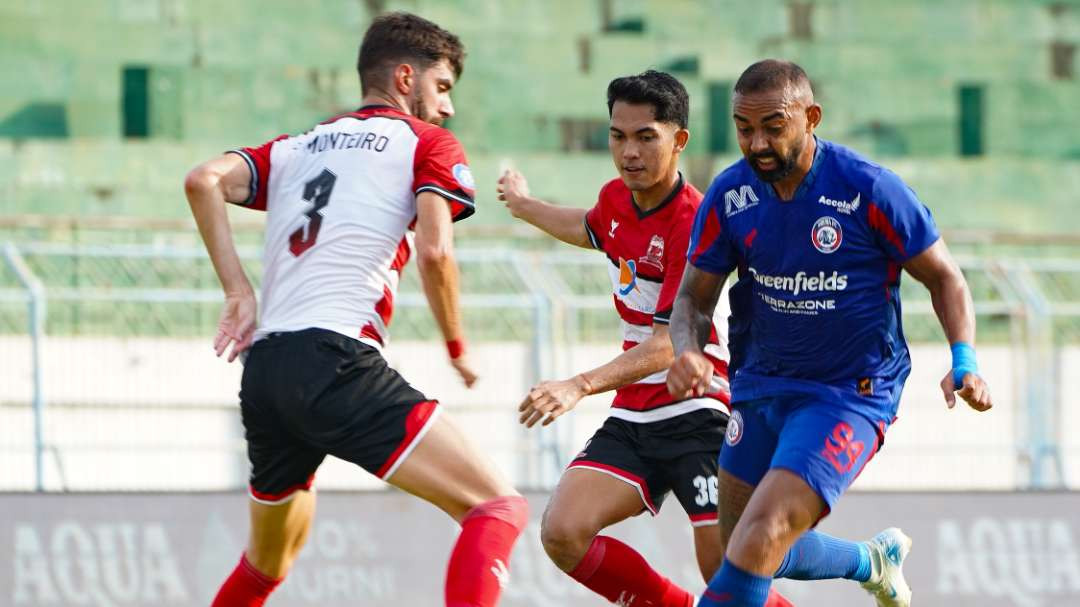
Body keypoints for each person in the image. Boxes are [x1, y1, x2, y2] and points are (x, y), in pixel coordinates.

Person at [184, 13, 527, 607]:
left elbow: (202, 179)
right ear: (403, 77)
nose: (446, 108)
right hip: (336, 358)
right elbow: (436, 249)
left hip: (266, 369)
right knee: (497, 505)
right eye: (442, 87)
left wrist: (239, 292)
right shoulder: (426, 143)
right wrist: (457, 347)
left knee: (266, 564)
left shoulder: (296, 147)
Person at [668, 59, 993, 607]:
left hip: (850, 393)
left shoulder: (869, 189)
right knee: (742, 545)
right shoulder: (731, 196)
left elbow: (945, 278)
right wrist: (686, 350)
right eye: (744, 128)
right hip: (762, 384)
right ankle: (870, 562)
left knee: (762, 535)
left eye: (773, 126)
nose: (757, 143)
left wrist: (964, 360)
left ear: (811, 117)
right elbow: (692, 301)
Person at [498, 70, 792, 607]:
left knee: (724, 572)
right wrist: (525, 206)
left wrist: (578, 385)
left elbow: (670, 342)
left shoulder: (697, 221)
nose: (628, 151)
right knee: (563, 532)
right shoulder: (615, 198)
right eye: (618, 136)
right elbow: (590, 227)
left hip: (698, 407)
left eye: (645, 136)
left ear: (679, 140)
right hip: (635, 412)